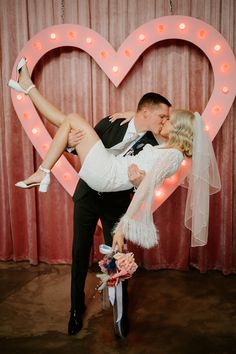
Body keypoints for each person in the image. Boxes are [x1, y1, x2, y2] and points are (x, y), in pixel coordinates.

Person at [8, 57, 171, 337]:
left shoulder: (158, 141)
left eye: (167, 118)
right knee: (79, 251)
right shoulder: (110, 123)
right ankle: (75, 309)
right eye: (162, 117)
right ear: (144, 112)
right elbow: (81, 146)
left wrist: (140, 181)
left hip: (117, 203)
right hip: (88, 195)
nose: (165, 121)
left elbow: (183, 126)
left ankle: (119, 310)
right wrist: (70, 144)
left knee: (117, 256)